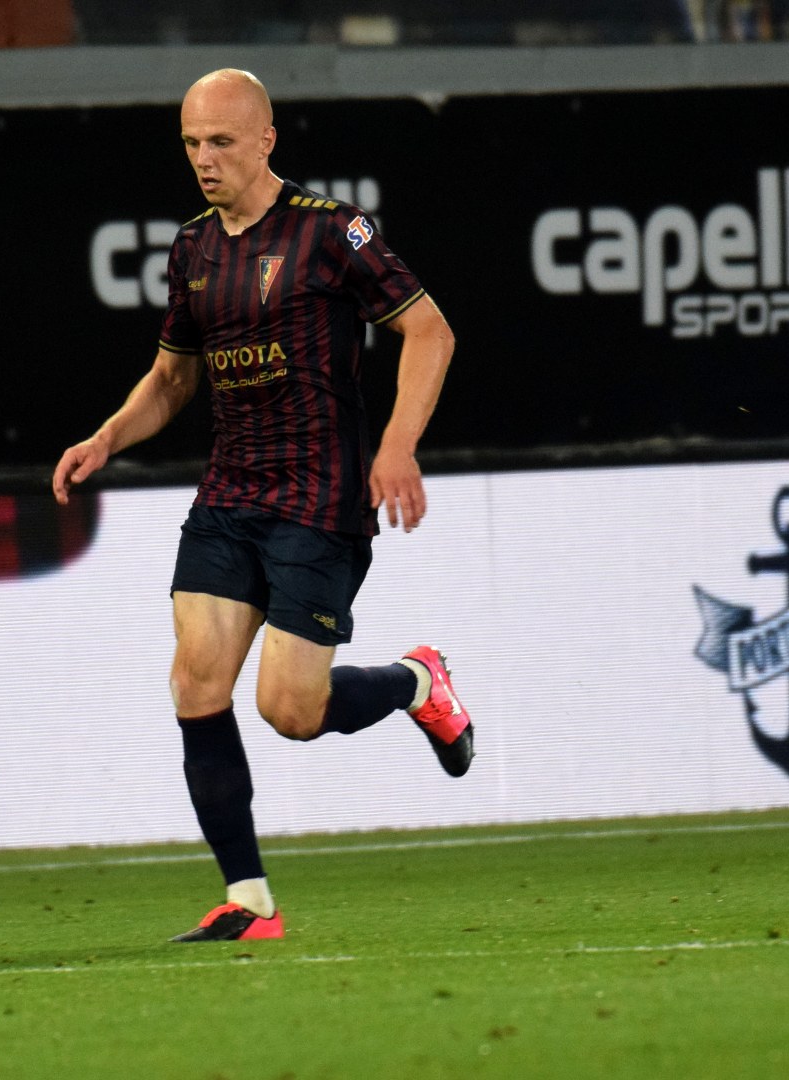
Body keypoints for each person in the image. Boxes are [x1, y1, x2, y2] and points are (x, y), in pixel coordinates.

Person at [52, 69, 473, 942]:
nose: (203, 159)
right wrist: (105, 438)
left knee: (291, 711)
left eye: (221, 142)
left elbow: (430, 330)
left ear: (266, 140)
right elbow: (173, 379)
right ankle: (249, 902)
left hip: (319, 499)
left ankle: (415, 681)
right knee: (196, 680)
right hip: (229, 494)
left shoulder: (330, 230)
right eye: (191, 144)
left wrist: (397, 447)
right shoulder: (192, 248)